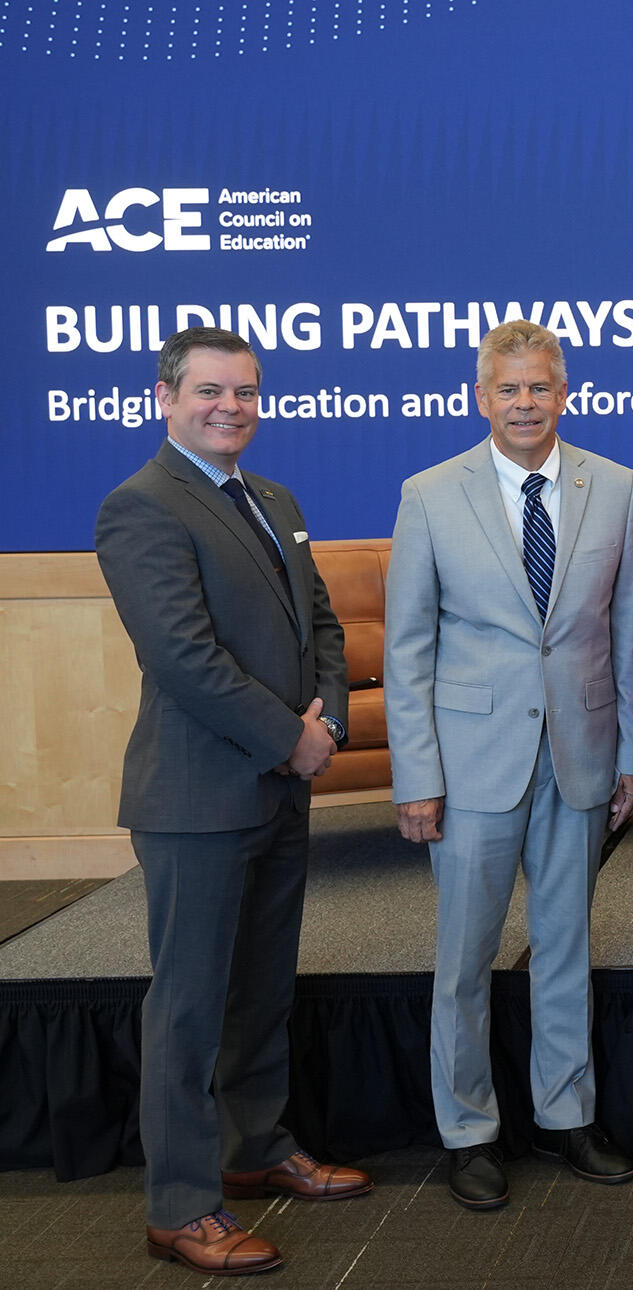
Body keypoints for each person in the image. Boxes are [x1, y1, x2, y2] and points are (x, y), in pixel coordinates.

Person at [97, 326, 371, 1277]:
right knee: (187, 1008)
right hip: (197, 798)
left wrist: (329, 722)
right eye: (210, 391)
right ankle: (180, 1205)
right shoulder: (139, 507)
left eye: (246, 392)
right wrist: (287, 736)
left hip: (280, 787)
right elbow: (182, 656)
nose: (231, 407)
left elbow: (324, 626)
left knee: (260, 988)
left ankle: (255, 1149)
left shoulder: (274, 499)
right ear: (165, 396)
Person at [385, 320, 633, 1210]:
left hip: (579, 755)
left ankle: (567, 1115)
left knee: (566, 946)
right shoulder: (429, 494)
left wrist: (632, 756)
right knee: (464, 959)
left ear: (563, 392)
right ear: (480, 396)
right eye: (509, 389)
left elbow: (626, 635)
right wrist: (416, 775)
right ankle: (467, 1131)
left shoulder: (613, 487)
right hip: (469, 768)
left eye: (540, 388)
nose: (525, 404)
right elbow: (408, 648)